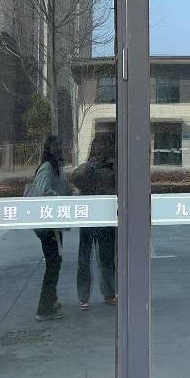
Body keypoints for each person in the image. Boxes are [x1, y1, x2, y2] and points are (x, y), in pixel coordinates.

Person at [71, 133, 117, 310]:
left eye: (104, 145)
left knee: (106, 258)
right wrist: (89, 167)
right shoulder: (87, 167)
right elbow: (75, 179)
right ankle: (83, 297)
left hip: (105, 217)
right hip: (89, 217)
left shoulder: (114, 167)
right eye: (97, 145)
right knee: (84, 258)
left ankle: (109, 293)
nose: (100, 149)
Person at [27, 135, 69, 322]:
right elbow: (44, 190)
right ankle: (44, 309)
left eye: (60, 144)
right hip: (48, 224)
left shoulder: (56, 166)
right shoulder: (47, 167)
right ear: (48, 147)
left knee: (55, 261)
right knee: (53, 264)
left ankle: (51, 300)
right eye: (55, 144)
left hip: (54, 222)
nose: (59, 147)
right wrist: (62, 200)